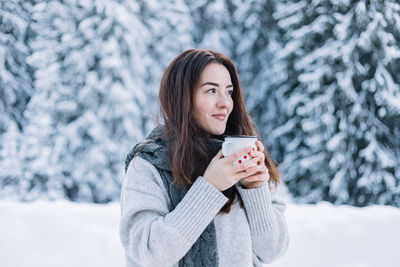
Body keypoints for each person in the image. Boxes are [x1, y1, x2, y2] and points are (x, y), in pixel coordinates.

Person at [120, 49, 288, 267]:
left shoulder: (242, 157)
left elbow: (271, 252)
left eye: (229, 92)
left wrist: (255, 190)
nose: (225, 103)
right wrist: (210, 188)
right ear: (182, 98)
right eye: (211, 90)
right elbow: (150, 253)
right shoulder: (149, 165)